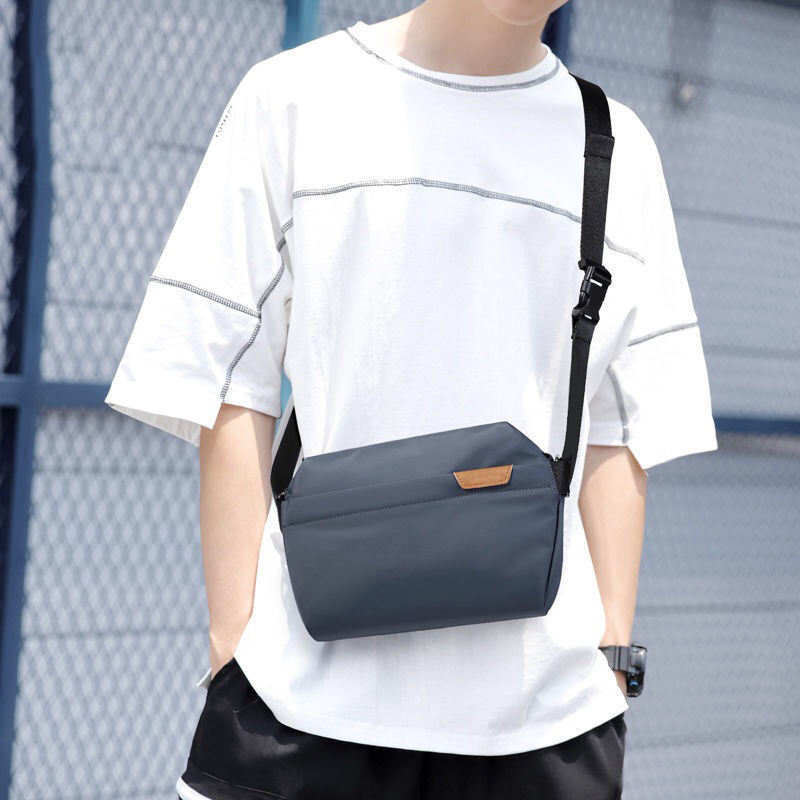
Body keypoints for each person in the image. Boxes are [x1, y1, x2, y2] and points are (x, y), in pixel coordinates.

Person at [105, 2, 718, 798]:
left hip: (546, 725)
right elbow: (230, 379)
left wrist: (613, 660)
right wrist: (234, 645)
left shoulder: (615, 147)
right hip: (298, 704)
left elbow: (619, 424)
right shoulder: (296, 98)